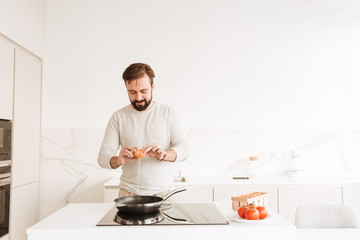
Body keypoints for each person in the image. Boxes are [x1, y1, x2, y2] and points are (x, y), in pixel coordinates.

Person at [98, 63, 189, 199]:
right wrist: (118, 160)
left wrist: (164, 155)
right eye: (132, 92)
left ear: (152, 87)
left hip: (164, 194)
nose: (139, 98)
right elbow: (103, 157)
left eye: (144, 91)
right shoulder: (118, 117)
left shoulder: (167, 113)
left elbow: (184, 149)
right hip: (128, 194)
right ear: (126, 89)